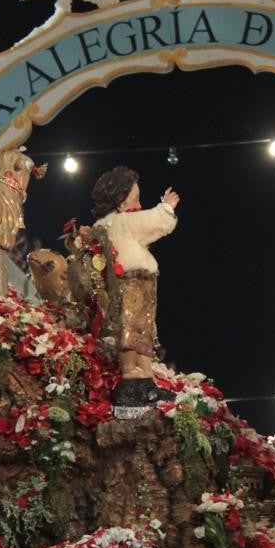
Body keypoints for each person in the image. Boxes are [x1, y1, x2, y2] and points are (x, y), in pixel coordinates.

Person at [90, 166, 180, 389]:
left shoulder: (108, 226)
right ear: (120, 203)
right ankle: (131, 367)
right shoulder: (120, 222)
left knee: (145, 326)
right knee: (133, 325)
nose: (139, 206)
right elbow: (152, 222)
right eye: (135, 200)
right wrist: (166, 207)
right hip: (132, 280)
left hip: (139, 281)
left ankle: (145, 368)